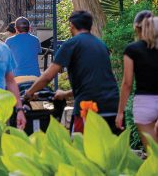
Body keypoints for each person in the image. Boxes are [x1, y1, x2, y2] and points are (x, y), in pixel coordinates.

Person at [22, 9, 120, 134]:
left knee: (81, 150)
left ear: (72, 25)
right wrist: (65, 94)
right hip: (112, 106)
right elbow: (94, 83)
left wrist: (29, 93)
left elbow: (48, 76)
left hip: (88, 109)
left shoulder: (72, 44)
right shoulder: (101, 45)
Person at [117, 11, 157, 147]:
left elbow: (127, 83)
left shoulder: (132, 49)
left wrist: (120, 112)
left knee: (153, 154)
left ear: (136, 27)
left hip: (145, 103)